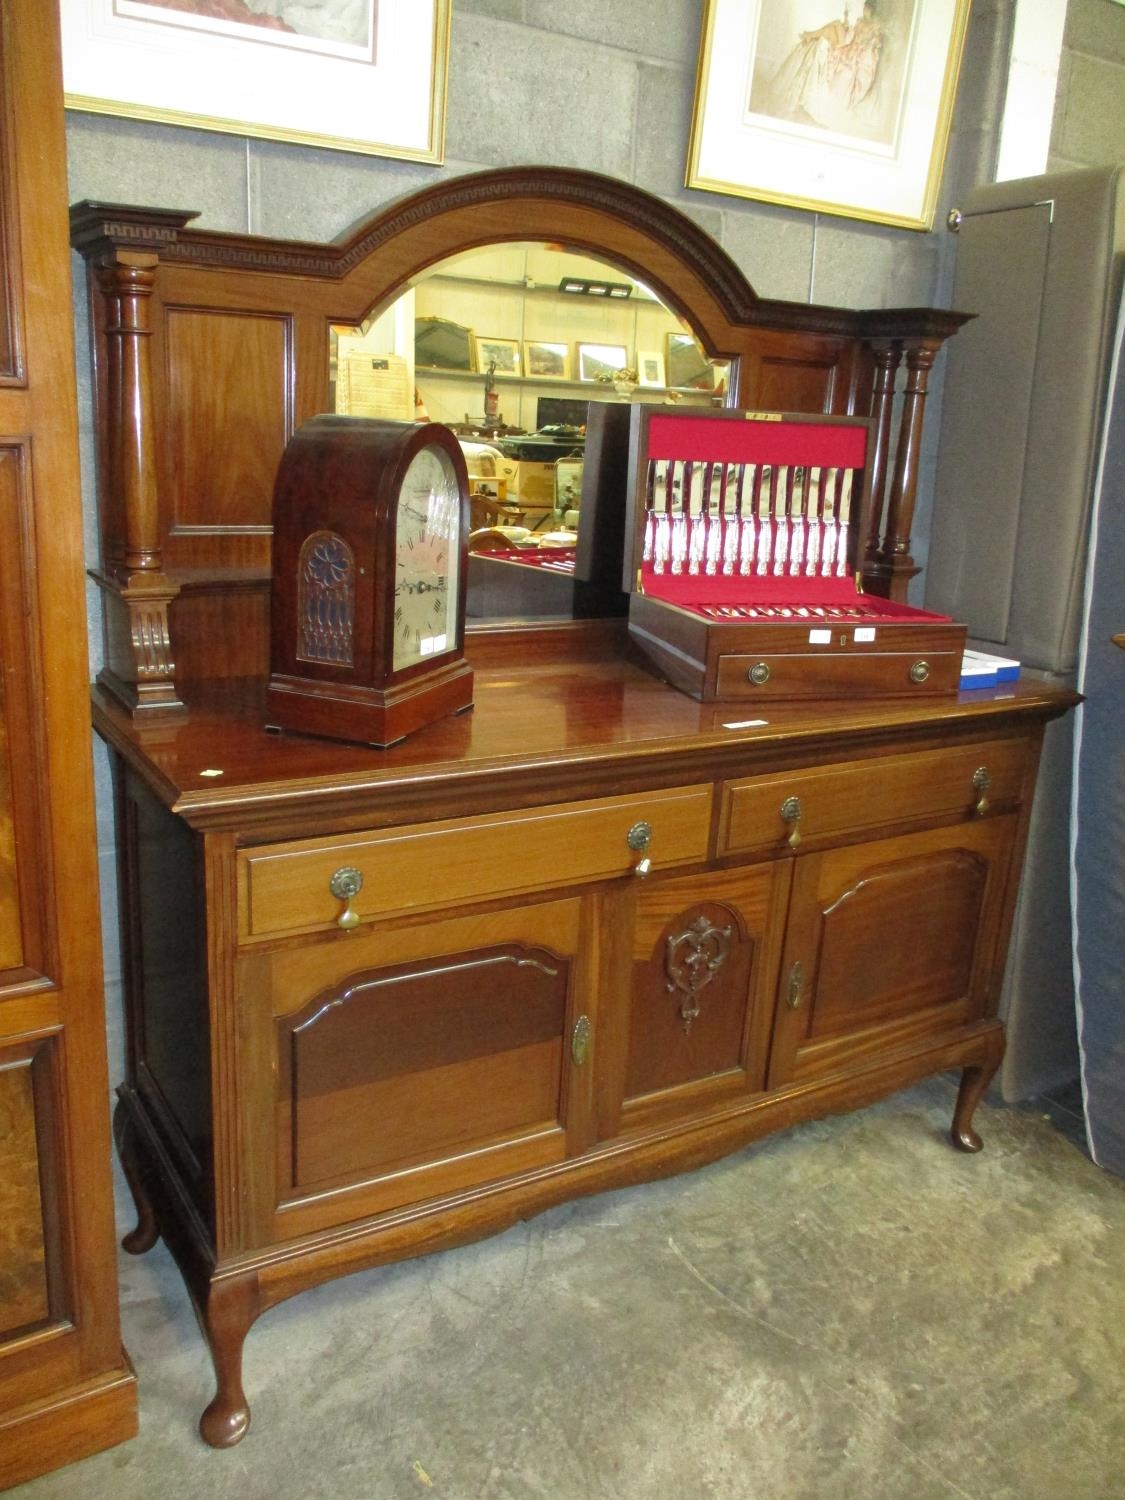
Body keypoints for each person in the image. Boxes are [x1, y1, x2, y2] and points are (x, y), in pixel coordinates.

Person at [761, 2, 886, 136]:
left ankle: (811, 34)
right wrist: (847, 29)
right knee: (837, 25)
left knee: (835, 27)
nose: (864, 9)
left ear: (872, 10)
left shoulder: (875, 29)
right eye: (865, 6)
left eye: (867, 7)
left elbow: (867, 56)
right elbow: (851, 37)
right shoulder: (861, 22)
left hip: (851, 59)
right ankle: (812, 35)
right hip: (847, 50)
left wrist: (854, 52)